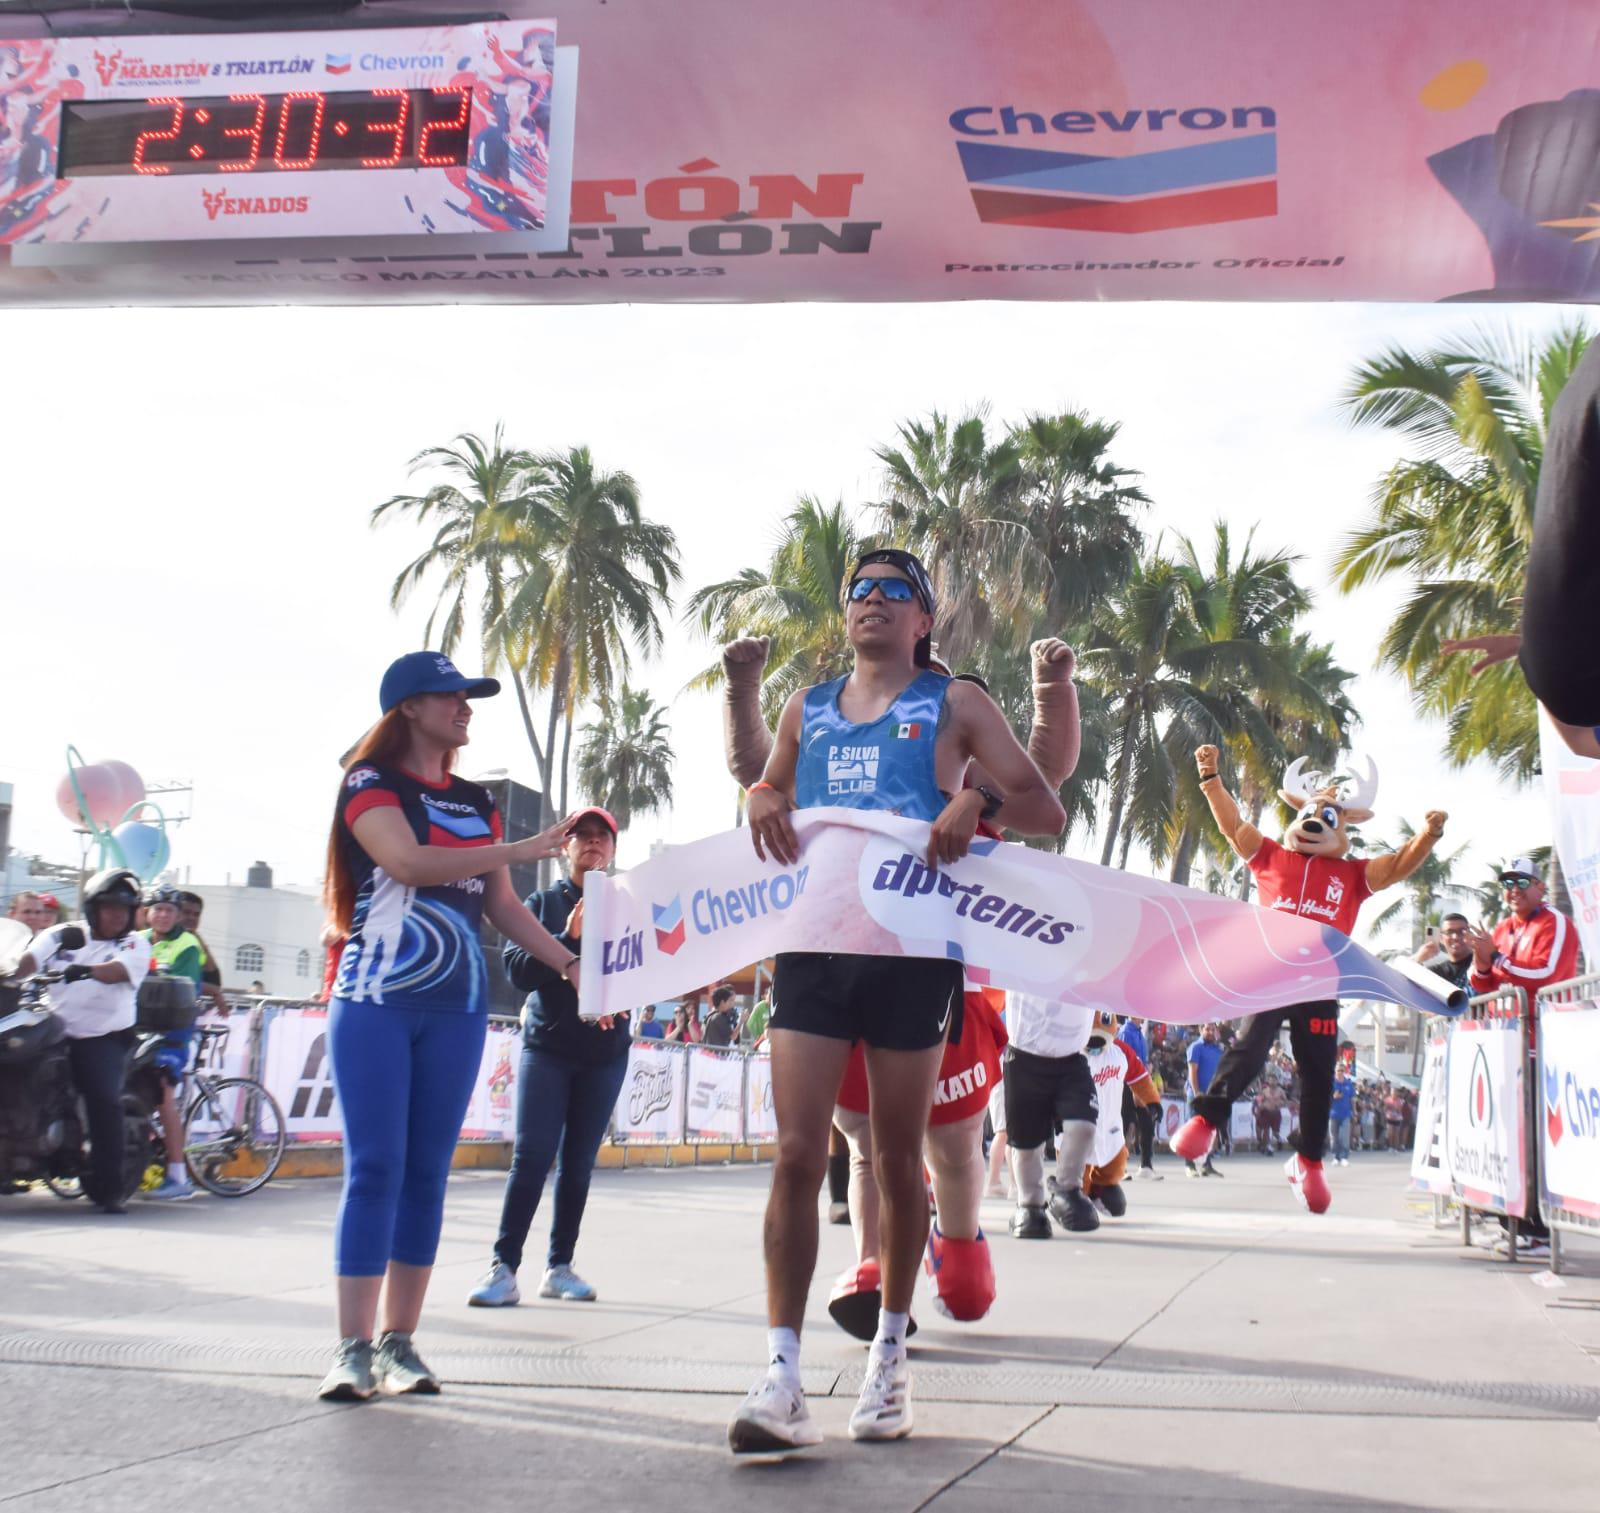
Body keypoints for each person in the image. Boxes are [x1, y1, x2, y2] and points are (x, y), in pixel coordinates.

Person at [729, 547, 1065, 1453]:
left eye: (894, 591)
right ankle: (782, 1376)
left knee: (895, 1155)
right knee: (797, 1154)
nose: (872, 601)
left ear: (923, 620)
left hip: (913, 954)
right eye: (859, 590)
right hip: (813, 947)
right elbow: (769, 783)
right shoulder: (806, 706)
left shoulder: (955, 703)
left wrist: (977, 799)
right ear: (846, 613)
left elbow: (1045, 807)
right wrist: (761, 792)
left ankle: (888, 1360)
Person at [316, 651, 579, 1403]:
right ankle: (352, 1348)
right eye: (450, 695)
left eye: (470, 697)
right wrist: (519, 849)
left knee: (428, 1172)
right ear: (408, 707)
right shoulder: (370, 783)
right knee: (376, 1168)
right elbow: (406, 862)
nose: (465, 707)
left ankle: (399, 1342)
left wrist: (571, 965)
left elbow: (503, 906)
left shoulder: (476, 801)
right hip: (375, 998)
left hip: (456, 1006)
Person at [1174, 745, 1448, 1213]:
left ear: (1343, 828)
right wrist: (1211, 778)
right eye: (1309, 814)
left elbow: (1398, 865)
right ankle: (1207, 1120)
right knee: (1250, 1047)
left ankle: (1309, 1161)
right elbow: (1233, 826)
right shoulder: (1271, 856)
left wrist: (1427, 836)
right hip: (1271, 974)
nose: (1316, 823)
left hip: (1321, 985)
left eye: (1329, 818)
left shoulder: (1353, 875)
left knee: (1319, 1072)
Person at [469, 806, 632, 1309]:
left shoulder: (632, 904)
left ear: (614, 848)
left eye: (602, 836)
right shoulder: (543, 903)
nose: (592, 843)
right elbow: (518, 971)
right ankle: (503, 1268)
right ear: (566, 848)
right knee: (532, 1158)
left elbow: (658, 963)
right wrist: (568, 940)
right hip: (548, 1051)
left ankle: (559, 1267)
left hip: (605, 1055)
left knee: (578, 1165)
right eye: (582, 835)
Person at [10, 869, 150, 1213]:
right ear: (92, 908)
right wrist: (13, 970)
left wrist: (87, 971)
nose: (117, 915)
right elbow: (30, 958)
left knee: (103, 1099)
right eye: (110, 907)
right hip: (52, 1029)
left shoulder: (134, 943)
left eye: (124, 909)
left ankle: (109, 1188)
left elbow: (119, 970)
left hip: (101, 1036)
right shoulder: (64, 934)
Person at [141, 882, 205, 1202]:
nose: (163, 915)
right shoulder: (136, 941)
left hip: (173, 1030)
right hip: (138, 1027)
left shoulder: (187, 945)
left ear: (178, 916)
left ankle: (178, 1176)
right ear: (147, 913)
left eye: (169, 910)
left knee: (162, 1095)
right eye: (158, 909)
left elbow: (183, 993)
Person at [1466, 856, 1580, 999]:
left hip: (1543, 1013)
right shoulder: (1502, 927)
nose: (1515, 890)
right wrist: (1482, 965)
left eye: (1522, 882)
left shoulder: (1555, 922)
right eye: (1508, 883)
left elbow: (1546, 976)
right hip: (1504, 1013)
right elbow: (1483, 985)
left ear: (1540, 887)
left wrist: (1495, 957)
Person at [176, 891, 228, 1013]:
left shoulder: (194, 941)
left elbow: (214, 981)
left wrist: (198, 939)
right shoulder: (159, 938)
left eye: (196, 914)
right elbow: (171, 980)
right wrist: (213, 991)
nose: (191, 918)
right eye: (186, 912)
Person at [1184, 1024, 1224, 1176]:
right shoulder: (1195, 1047)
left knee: (1208, 1132)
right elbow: (1192, 1071)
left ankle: (1206, 1165)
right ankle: (1189, 1165)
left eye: (1213, 1029)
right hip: (1197, 1096)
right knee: (1193, 1131)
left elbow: (1219, 1074)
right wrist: (1196, 1093)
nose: (1210, 1032)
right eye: (1207, 1029)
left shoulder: (1218, 1050)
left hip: (1211, 1097)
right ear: (1201, 1030)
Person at [1416, 914, 1475, 992]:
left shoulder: (1481, 964)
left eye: (1461, 931)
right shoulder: (1436, 972)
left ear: (1470, 934)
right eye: (1449, 932)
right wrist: (1418, 960)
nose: (1455, 937)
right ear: (1441, 938)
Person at [1328, 1066, 1355, 1165]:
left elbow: (1352, 1099)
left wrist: (1354, 1111)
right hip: (1333, 1114)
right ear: (1335, 1071)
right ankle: (1336, 1157)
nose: (1340, 1072)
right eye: (1338, 1070)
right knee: (1334, 1137)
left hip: (1345, 1114)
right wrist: (1333, 1097)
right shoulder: (1331, 1083)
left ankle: (1344, 1157)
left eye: (1342, 1070)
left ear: (1344, 1071)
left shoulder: (1348, 1084)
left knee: (1344, 1137)